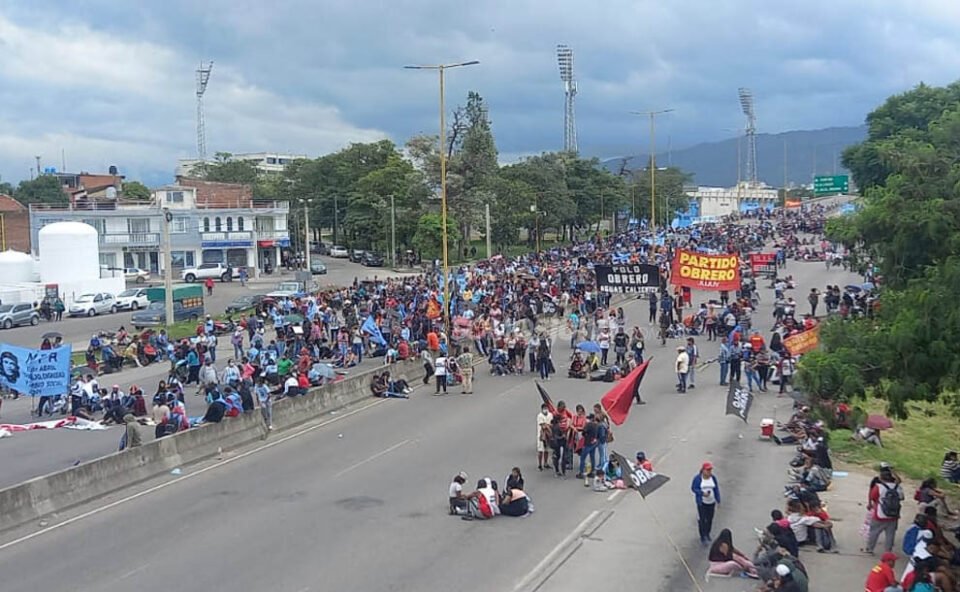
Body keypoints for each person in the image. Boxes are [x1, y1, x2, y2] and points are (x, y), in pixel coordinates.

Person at [865, 465, 905, 554]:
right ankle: (888, 551)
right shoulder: (897, 487)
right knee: (890, 534)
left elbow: (873, 497)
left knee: (874, 532)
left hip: (880, 514)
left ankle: (869, 549)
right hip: (894, 515)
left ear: (881, 478)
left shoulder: (878, 487)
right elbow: (902, 498)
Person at [691, 461, 720, 545]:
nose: (709, 472)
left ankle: (707, 533)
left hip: (711, 502)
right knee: (703, 519)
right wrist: (702, 493)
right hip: (702, 503)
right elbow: (694, 488)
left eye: (710, 470)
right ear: (703, 470)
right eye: (707, 470)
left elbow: (716, 488)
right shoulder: (698, 478)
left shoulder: (713, 478)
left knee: (710, 519)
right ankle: (703, 536)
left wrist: (718, 499)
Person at [537, 404, 553, 471]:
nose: (545, 409)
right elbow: (543, 425)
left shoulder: (550, 415)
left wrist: (548, 426)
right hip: (542, 435)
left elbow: (552, 423)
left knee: (546, 450)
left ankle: (545, 463)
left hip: (548, 435)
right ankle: (540, 464)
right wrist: (548, 425)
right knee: (541, 450)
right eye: (544, 408)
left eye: (546, 408)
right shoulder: (539, 416)